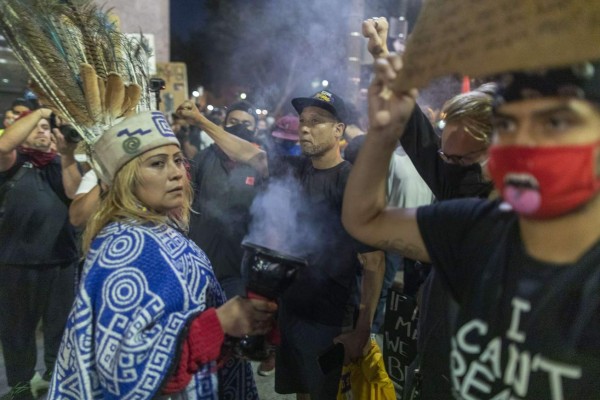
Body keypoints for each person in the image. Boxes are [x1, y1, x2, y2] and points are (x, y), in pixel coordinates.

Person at [342, 45, 600, 398]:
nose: (521, 145)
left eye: (552, 124)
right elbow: (364, 219)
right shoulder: (474, 221)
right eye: (510, 125)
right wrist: (384, 132)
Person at [48, 111, 278, 399]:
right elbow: (122, 367)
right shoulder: (122, 248)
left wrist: (234, 326)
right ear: (124, 178)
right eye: (158, 163)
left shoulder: (159, 229)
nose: (176, 173)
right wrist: (218, 323)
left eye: (178, 160)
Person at [177, 90, 385, 400]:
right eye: (303, 121)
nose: (305, 128)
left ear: (339, 130)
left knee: (324, 394)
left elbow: (374, 262)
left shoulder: (350, 182)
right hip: (292, 311)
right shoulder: (296, 169)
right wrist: (200, 120)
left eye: (317, 122)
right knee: (302, 391)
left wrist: (362, 329)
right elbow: (249, 153)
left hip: (329, 316)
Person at [0, 107, 81, 400]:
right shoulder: (12, 162)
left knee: (60, 331)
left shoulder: (63, 163)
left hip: (61, 262)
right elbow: (3, 144)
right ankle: (20, 388)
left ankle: (56, 382)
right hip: (15, 263)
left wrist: (68, 154)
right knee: (17, 332)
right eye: (36, 127)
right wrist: (42, 112)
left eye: (47, 127)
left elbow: (74, 194)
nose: (42, 130)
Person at [188, 100, 262, 301]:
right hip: (200, 260)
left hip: (239, 266)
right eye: (234, 121)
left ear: (256, 129)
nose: (239, 127)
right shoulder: (204, 158)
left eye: (247, 124)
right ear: (223, 125)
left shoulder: (262, 165)